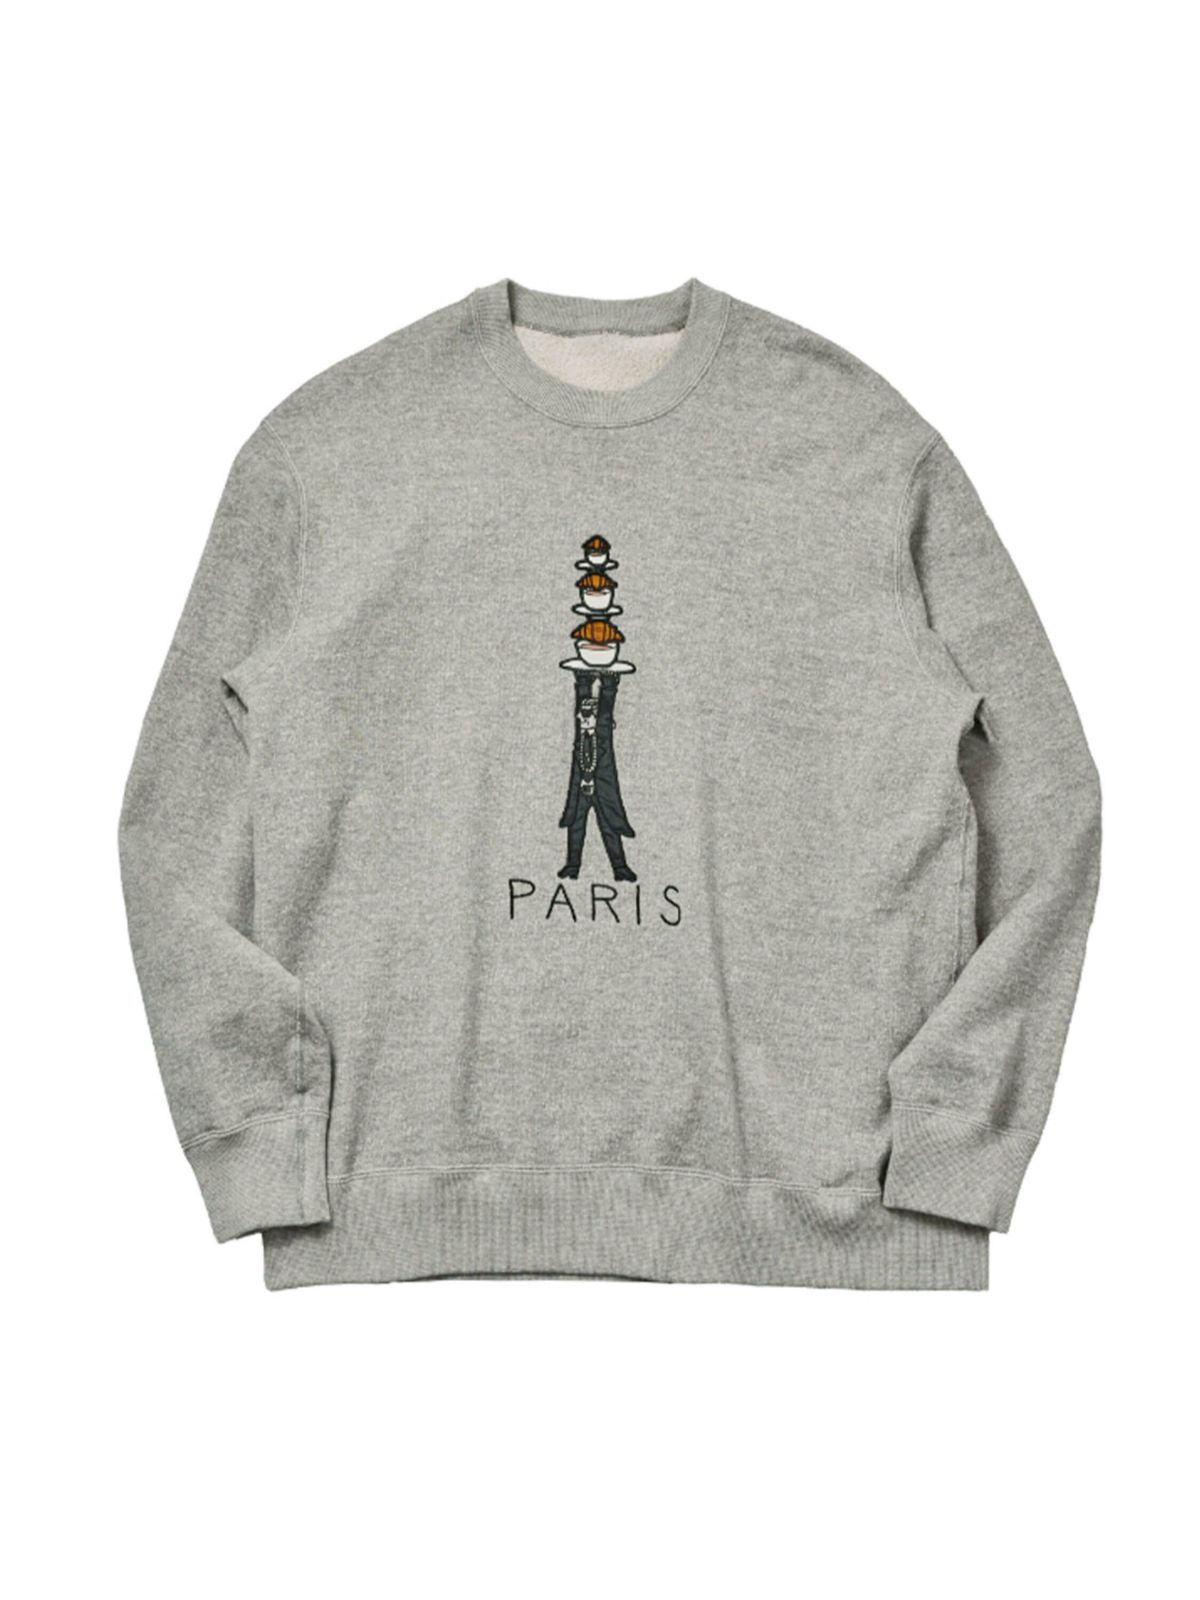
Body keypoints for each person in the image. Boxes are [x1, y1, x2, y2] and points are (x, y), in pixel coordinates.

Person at [559, 672, 636, 881]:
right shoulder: (582, 731)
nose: (582, 718)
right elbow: (581, 712)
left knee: (610, 827)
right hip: (580, 789)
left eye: (587, 714)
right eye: (582, 715)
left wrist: (609, 686)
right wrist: (582, 683)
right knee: (575, 827)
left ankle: (620, 868)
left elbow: (605, 716)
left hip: (602, 789)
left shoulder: (602, 733)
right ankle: (572, 866)